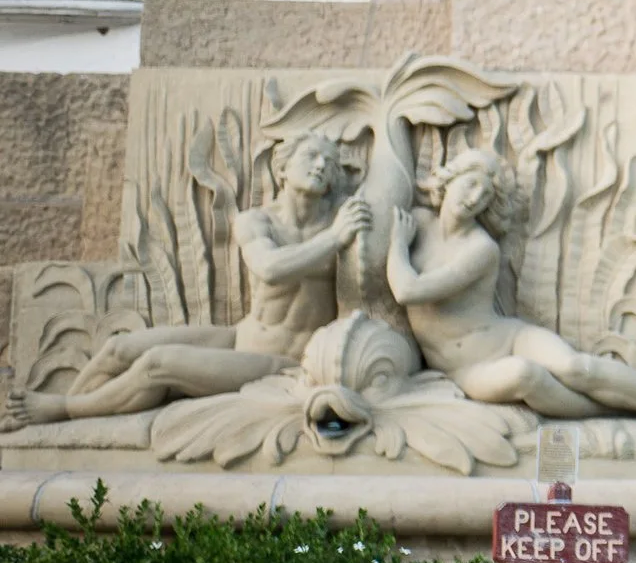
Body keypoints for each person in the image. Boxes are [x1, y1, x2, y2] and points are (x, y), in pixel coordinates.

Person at [2, 132, 371, 428]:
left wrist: (338, 236)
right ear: (283, 169)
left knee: (159, 363)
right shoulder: (258, 221)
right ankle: (72, 421)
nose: (322, 166)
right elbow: (269, 267)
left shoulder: (341, 222)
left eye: (330, 163)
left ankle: (66, 410)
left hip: (284, 360)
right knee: (120, 349)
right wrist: (333, 240)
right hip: (242, 336)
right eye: (311, 156)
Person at [386, 147, 636, 441]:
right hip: (467, 369)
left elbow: (408, 289)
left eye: (486, 195)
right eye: (471, 185)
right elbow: (404, 291)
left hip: (509, 336)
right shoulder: (419, 222)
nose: (475, 198)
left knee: (576, 366)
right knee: (525, 375)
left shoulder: (480, 249)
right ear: (451, 180)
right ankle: (623, 409)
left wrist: (397, 248)